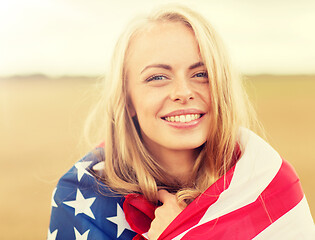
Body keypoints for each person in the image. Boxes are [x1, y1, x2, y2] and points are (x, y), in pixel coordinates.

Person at [48, 4, 315, 240]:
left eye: (201, 73)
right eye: (157, 77)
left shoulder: (266, 180)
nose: (183, 92)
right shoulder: (82, 197)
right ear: (127, 100)